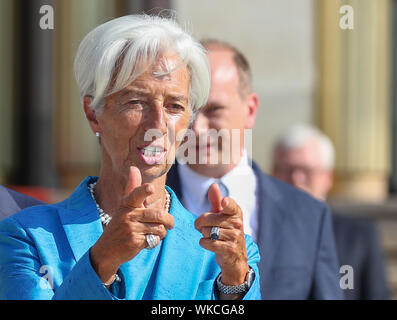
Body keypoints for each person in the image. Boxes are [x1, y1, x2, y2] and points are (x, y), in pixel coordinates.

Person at [0, 15, 260, 300]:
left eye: (174, 106)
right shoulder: (29, 237)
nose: (158, 124)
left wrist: (234, 288)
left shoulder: (222, 252)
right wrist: (102, 261)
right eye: (136, 102)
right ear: (93, 114)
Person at [166, 39, 343, 299]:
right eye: (187, 109)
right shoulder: (142, 205)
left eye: (214, 110)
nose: (198, 128)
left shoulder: (308, 215)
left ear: (250, 110)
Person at [272, 123, 390, 300]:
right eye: (287, 170)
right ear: (272, 174)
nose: (296, 180)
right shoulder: (258, 231)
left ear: (328, 177)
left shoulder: (359, 237)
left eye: (306, 170)